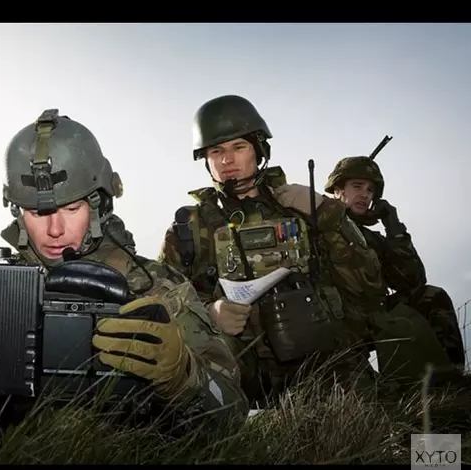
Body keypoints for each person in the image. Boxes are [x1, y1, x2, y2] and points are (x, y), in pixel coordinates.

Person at [0, 109, 250, 450]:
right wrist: (2, 362)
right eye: (38, 212)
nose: (54, 230)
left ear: (98, 205)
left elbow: (231, 415)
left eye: (71, 209)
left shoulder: (157, 288)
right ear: (17, 211)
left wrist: (181, 374)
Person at [156, 94, 377, 407]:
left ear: (259, 150)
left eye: (238, 147)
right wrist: (208, 312)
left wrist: (328, 213)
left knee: (381, 429)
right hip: (240, 368)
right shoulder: (188, 228)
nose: (226, 160)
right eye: (216, 151)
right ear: (205, 159)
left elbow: (367, 283)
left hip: (322, 356)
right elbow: (160, 301)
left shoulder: (302, 207)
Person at [324, 155, 465, 377]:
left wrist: (394, 227)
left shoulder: (374, 239)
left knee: (432, 297)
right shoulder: (319, 226)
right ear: (338, 189)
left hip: (370, 316)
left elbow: (413, 281)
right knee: (366, 395)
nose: (364, 194)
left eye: (370, 190)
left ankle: (452, 379)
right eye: (357, 186)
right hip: (335, 320)